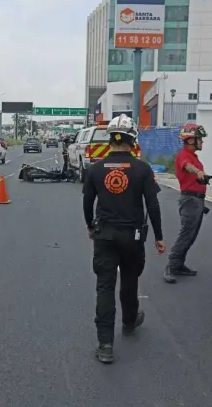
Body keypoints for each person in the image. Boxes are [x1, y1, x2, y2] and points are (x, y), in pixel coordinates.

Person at [82, 114, 165, 364]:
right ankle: (129, 322)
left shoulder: (96, 169)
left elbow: (87, 203)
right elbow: (152, 204)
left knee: (105, 286)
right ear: (132, 140)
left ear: (110, 140)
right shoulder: (142, 169)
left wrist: (89, 226)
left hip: (104, 235)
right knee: (130, 280)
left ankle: (105, 345)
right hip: (133, 236)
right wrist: (159, 237)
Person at [163, 123, 208, 284]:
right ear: (190, 141)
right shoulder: (184, 156)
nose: (202, 142)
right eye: (199, 139)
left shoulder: (194, 157)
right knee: (186, 234)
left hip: (197, 200)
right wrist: (198, 172)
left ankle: (179, 265)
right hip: (190, 200)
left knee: (191, 235)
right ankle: (171, 265)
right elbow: (187, 167)